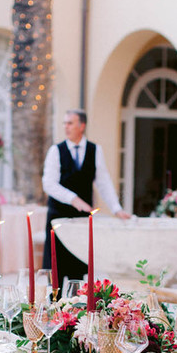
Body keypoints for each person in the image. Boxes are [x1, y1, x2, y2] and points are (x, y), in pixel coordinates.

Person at [42, 109, 130, 289]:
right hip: (58, 218)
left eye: (70, 123)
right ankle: (54, 302)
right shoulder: (55, 151)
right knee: (56, 269)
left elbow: (104, 183)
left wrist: (116, 209)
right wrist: (73, 199)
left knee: (77, 269)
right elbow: (48, 184)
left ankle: (74, 305)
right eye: (65, 123)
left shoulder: (95, 150)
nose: (66, 127)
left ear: (82, 126)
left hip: (81, 222)